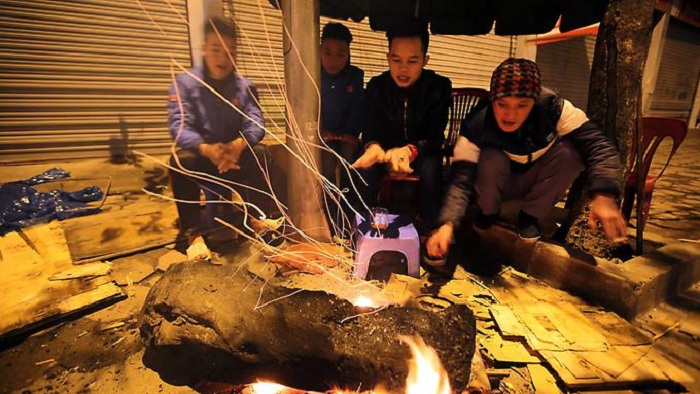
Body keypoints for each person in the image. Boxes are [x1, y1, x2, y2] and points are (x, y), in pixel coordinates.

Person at [426, 57, 627, 260]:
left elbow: (598, 145)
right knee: (490, 156)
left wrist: (604, 194)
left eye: (522, 105)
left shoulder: (553, 108)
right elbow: (461, 179)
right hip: (499, 183)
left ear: (534, 100)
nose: (510, 114)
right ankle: (488, 212)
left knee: (571, 153)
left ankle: (530, 216)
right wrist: (447, 224)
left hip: (537, 178)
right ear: (492, 99)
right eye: (502, 104)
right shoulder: (478, 120)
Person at [167, 17, 273, 254]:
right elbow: (179, 126)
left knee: (262, 154)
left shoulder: (244, 86)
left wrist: (238, 145)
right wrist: (207, 149)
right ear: (204, 48)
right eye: (216, 50)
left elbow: (256, 122)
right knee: (179, 161)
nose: (223, 59)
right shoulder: (185, 83)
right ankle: (192, 233)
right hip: (204, 156)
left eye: (230, 52)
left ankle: (258, 220)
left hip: (234, 157)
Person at [351, 26, 451, 235]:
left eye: (412, 61)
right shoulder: (377, 86)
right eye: (396, 60)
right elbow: (369, 128)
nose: (403, 69)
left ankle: (430, 232)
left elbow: (435, 135)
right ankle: (361, 228)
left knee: (432, 167)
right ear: (388, 58)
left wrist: (409, 150)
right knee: (366, 165)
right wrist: (373, 147)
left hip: (420, 151)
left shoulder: (438, 86)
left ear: (425, 59)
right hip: (385, 149)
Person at [319, 22, 364, 237]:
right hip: (322, 134)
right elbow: (308, 107)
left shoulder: (355, 75)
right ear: (319, 50)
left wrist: (352, 132)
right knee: (326, 168)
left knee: (350, 168)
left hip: (348, 134)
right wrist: (322, 130)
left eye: (340, 54)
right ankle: (328, 219)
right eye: (327, 52)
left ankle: (348, 220)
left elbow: (358, 107)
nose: (333, 59)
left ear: (348, 55)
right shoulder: (311, 73)